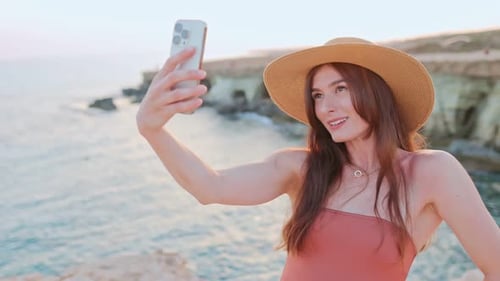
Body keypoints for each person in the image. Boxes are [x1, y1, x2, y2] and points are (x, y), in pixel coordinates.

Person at [136, 37, 500, 281]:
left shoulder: (432, 172)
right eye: (318, 95)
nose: (327, 107)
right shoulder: (302, 168)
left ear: (377, 94)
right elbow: (210, 187)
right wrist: (153, 130)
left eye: (341, 88)